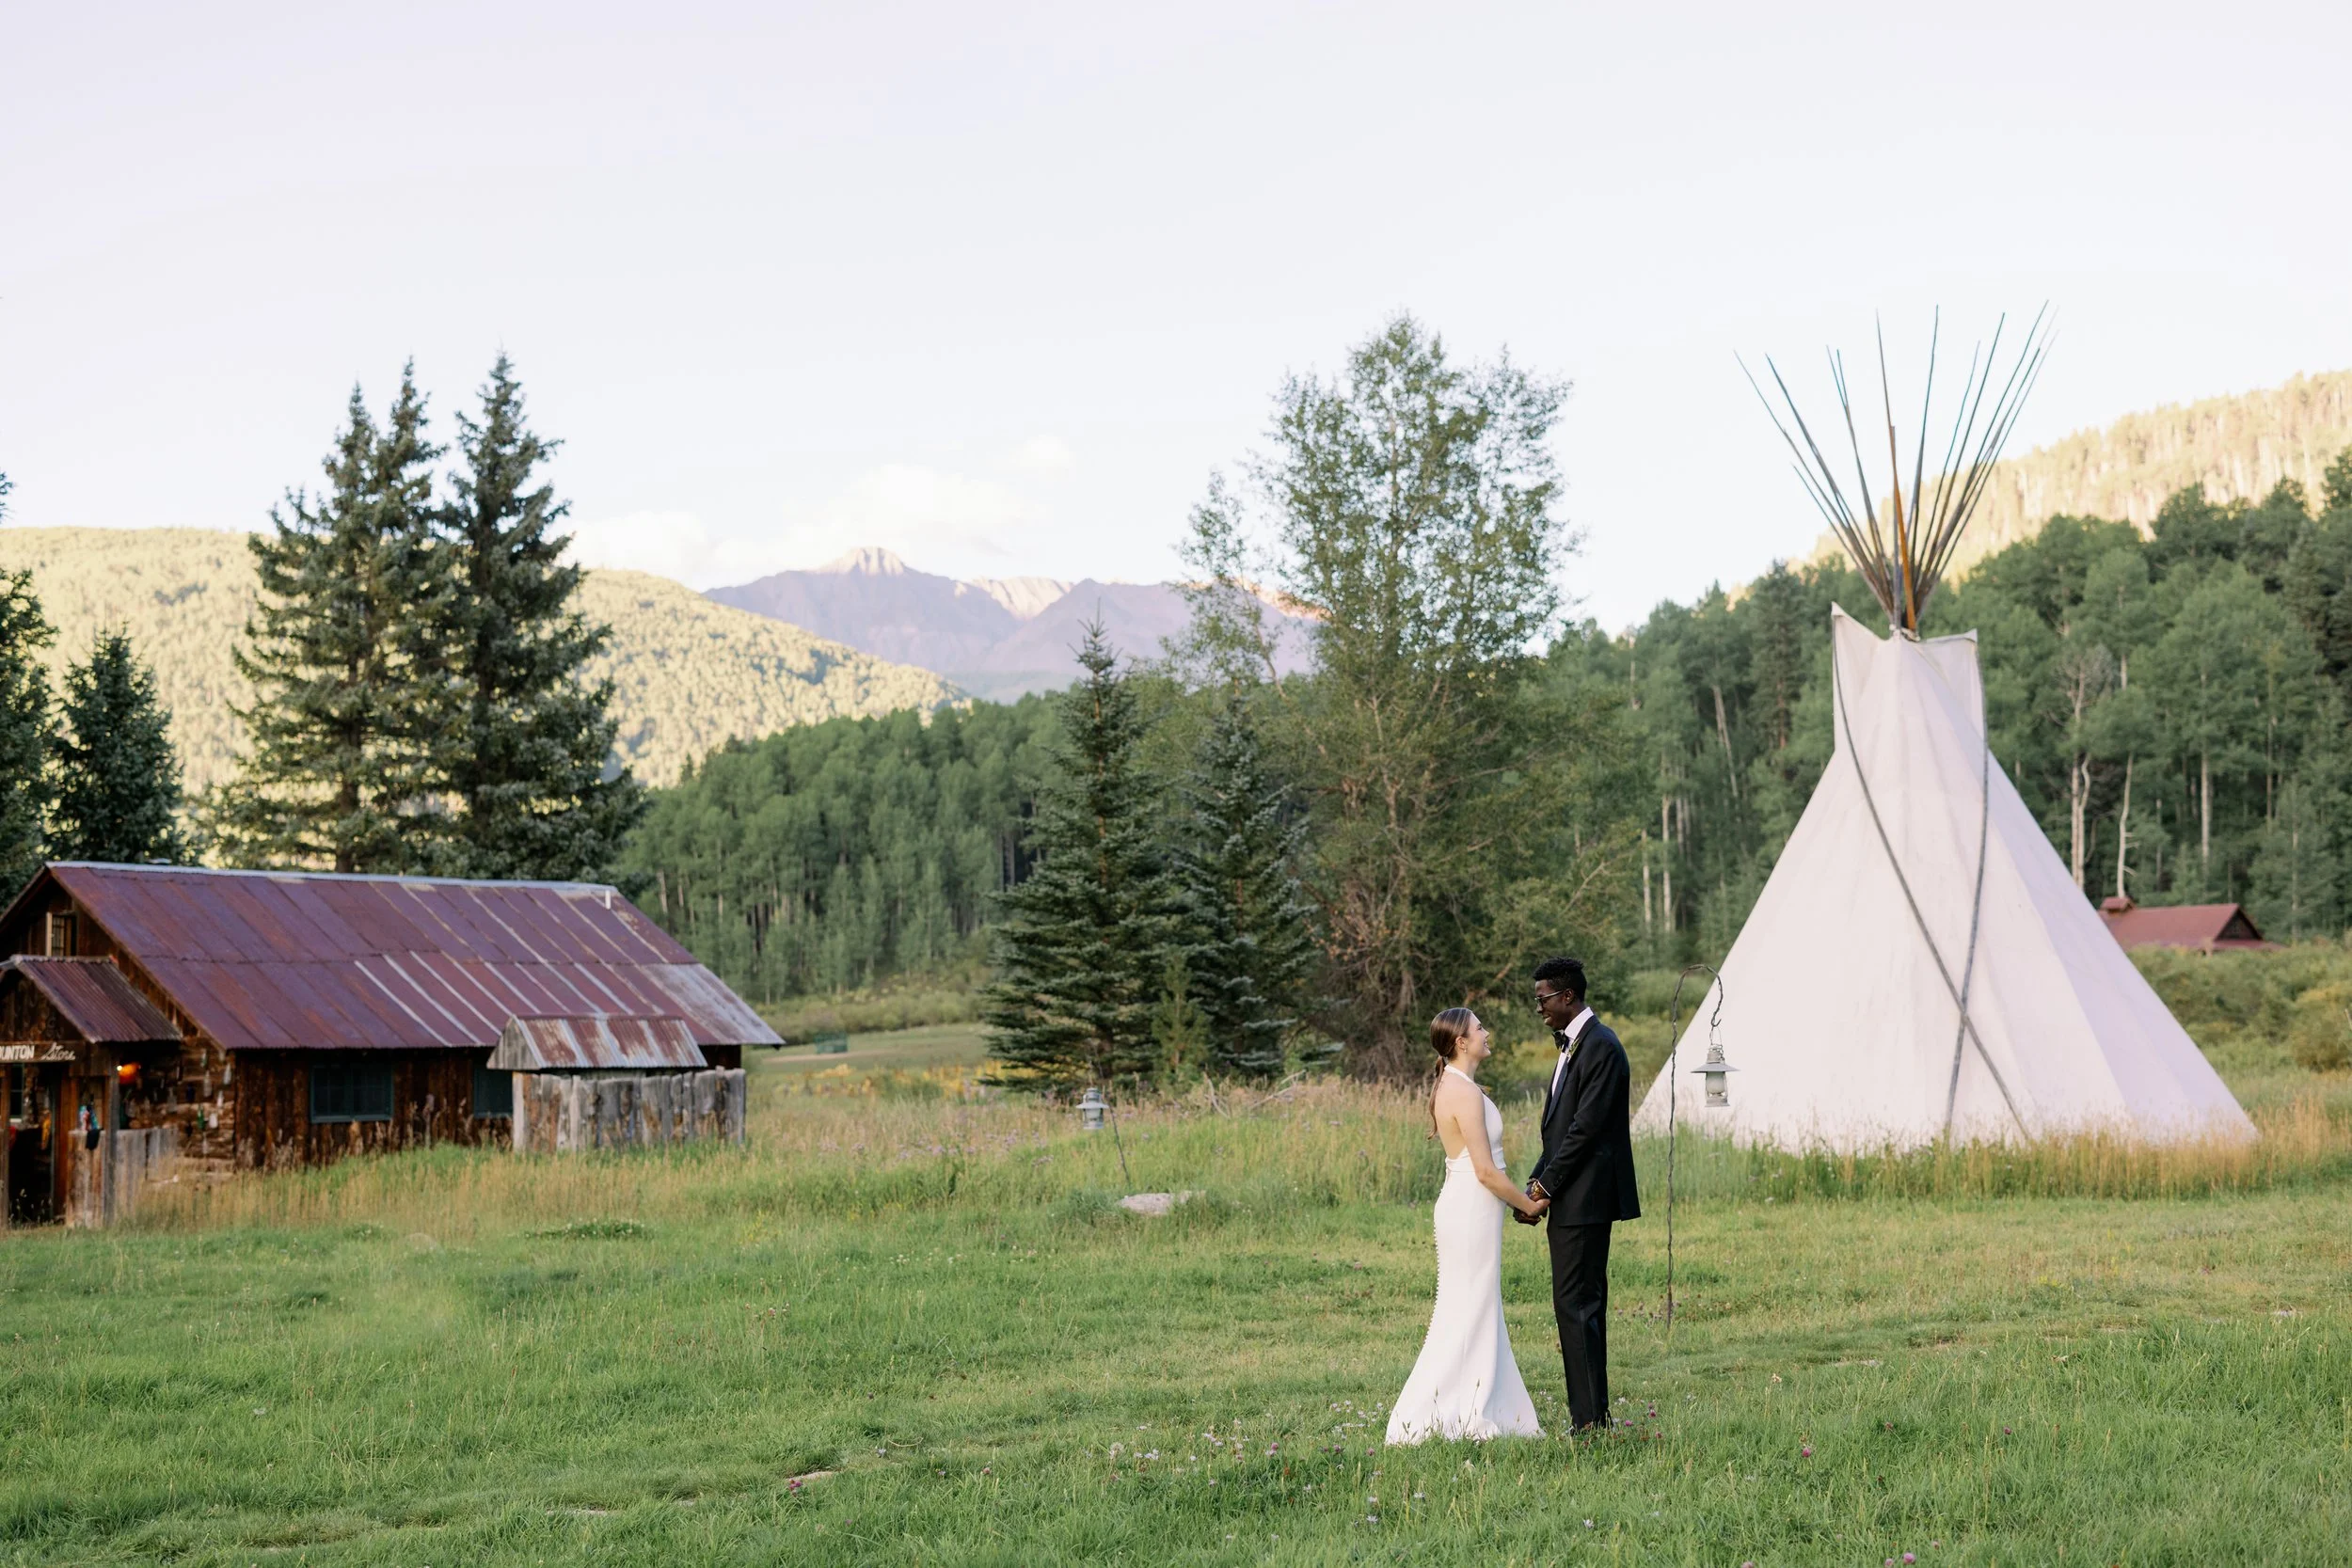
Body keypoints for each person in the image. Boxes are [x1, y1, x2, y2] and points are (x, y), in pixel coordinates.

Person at [1386, 1007, 1549, 1445]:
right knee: (1468, 1305)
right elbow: (1485, 1171)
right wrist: (1528, 1206)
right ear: (1462, 1041)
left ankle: (1484, 1398)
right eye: (1479, 1028)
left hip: (1474, 1208)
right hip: (1471, 1208)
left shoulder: (1460, 1086)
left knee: (1478, 1304)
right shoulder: (1461, 1091)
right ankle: (1440, 1410)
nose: (1486, 1032)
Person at [1518, 955, 1640, 1433]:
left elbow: (1586, 1131)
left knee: (1579, 1308)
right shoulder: (1573, 1046)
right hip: (1571, 1197)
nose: (1540, 1008)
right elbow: (1559, 1131)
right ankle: (1590, 1418)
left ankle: (1591, 1424)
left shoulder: (1602, 1047)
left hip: (1587, 1201)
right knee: (1573, 1308)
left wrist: (1545, 1188)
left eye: (1543, 999)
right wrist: (1535, 1180)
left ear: (1567, 996)